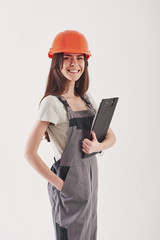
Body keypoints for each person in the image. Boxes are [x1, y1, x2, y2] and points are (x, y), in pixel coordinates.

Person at [24, 30, 116, 240]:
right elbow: (29, 153)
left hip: (91, 181)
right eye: (67, 58)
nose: (74, 63)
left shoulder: (87, 98)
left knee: (89, 234)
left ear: (85, 62)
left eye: (79, 57)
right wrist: (63, 186)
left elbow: (111, 137)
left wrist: (97, 147)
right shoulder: (52, 103)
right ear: (57, 62)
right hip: (70, 184)